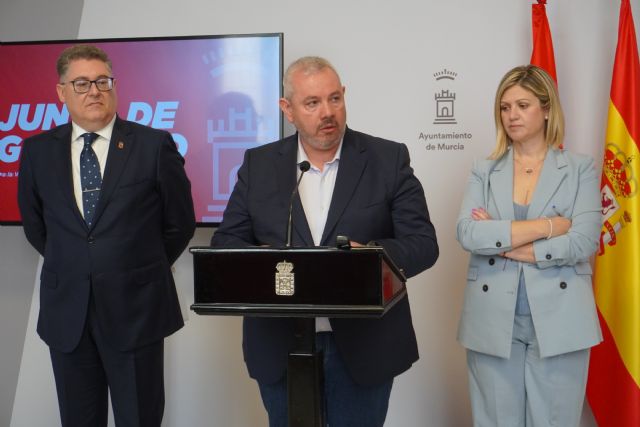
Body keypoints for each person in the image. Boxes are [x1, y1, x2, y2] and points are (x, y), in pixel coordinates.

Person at [211, 56, 439, 426]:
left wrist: (373, 256)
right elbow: (224, 244)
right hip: (280, 345)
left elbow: (423, 243)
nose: (327, 112)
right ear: (287, 109)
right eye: (312, 103)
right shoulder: (259, 164)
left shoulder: (387, 158)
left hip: (365, 346)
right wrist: (259, 260)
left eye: (334, 98)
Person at [17, 44, 196, 426]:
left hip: (137, 310)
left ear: (114, 85)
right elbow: (36, 227)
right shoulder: (37, 152)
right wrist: (80, 263)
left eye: (102, 81)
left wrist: (137, 267)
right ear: (61, 92)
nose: (94, 91)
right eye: (81, 83)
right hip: (68, 313)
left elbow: (180, 223)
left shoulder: (153, 145)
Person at [456, 65, 602, 426]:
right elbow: (469, 234)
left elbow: (584, 240)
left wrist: (503, 241)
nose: (512, 115)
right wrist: (551, 226)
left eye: (522, 105)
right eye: (505, 107)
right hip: (492, 320)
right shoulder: (484, 170)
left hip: (561, 317)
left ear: (546, 109)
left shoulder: (580, 168)